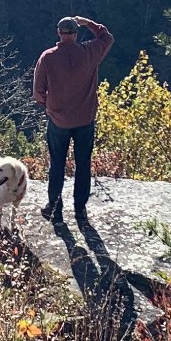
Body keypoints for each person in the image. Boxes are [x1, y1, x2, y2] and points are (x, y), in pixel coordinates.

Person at [33, 14, 113, 221]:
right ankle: (80, 209)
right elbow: (106, 37)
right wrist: (89, 23)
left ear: (58, 33)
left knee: (57, 164)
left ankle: (54, 208)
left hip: (58, 121)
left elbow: (38, 92)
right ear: (76, 34)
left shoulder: (47, 57)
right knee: (83, 163)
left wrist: (50, 107)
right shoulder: (89, 52)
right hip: (85, 119)